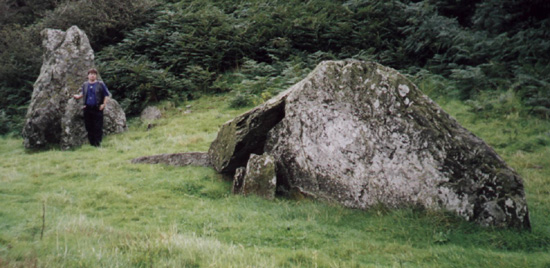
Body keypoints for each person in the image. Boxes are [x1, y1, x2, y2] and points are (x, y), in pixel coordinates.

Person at [73, 68, 111, 147]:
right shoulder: (85, 85)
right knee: (89, 126)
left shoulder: (100, 84)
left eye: (94, 74)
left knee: (98, 126)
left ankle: (98, 144)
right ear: (88, 76)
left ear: (96, 76)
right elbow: (83, 93)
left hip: (97, 108)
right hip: (87, 108)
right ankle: (92, 144)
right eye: (91, 74)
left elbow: (106, 95)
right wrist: (78, 96)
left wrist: (103, 104)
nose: (92, 76)